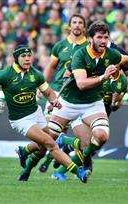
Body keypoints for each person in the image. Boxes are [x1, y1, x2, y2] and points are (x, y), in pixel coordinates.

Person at [47, 20, 128, 180]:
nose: (104, 41)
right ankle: (48, 162)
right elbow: (78, 82)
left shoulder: (112, 53)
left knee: (100, 138)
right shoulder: (79, 54)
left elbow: (125, 61)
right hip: (72, 103)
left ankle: (67, 152)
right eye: (100, 37)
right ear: (90, 38)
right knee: (51, 137)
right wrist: (55, 99)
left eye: (106, 37)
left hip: (95, 103)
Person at [0, 45, 87, 182]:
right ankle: (79, 173)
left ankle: (25, 155)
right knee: (50, 143)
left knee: (42, 149)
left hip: (36, 113)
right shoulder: (4, 74)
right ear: (16, 58)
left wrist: (54, 101)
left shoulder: (36, 74)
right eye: (23, 56)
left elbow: (48, 92)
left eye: (29, 56)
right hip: (20, 119)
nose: (27, 59)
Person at [37, 13, 88, 173]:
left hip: (78, 94)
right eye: (74, 22)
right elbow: (51, 66)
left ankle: (51, 160)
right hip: (57, 91)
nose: (77, 25)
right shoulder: (60, 46)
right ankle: (48, 159)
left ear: (84, 27)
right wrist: (41, 86)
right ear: (69, 26)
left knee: (80, 136)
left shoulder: (88, 46)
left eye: (80, 22)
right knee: (49, 132)